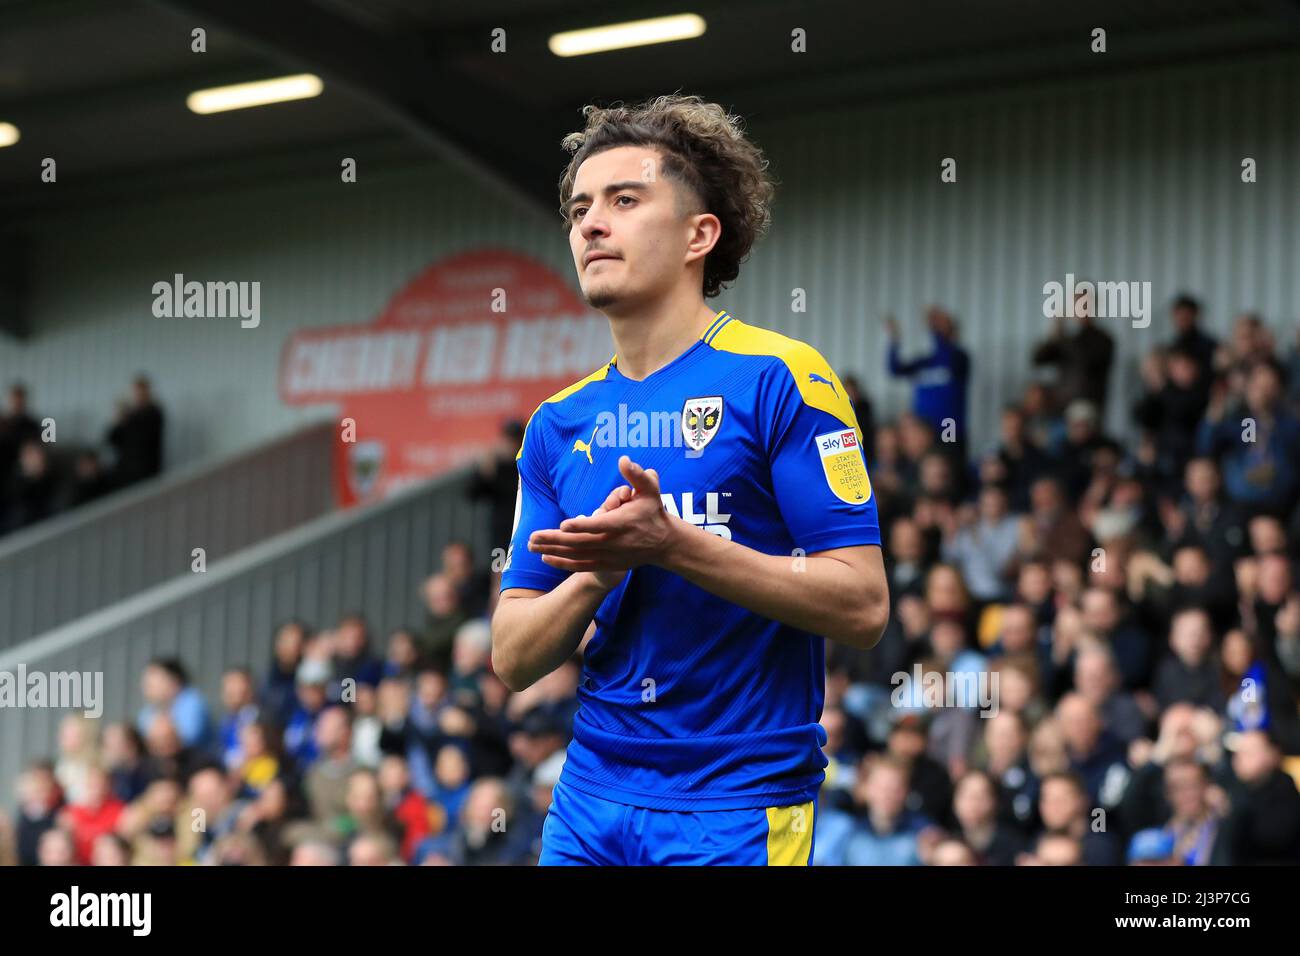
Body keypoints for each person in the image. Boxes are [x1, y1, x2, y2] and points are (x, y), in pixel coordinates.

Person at [492, 94, 889, 866]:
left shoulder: (783, 378)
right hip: (588, 801)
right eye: (579, 209)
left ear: (698, 235)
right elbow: (513, 657)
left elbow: (863, 604)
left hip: (737, 806)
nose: (590, 224)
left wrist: (673, 545)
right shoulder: (555, 423)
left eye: (624, 200)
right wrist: (594, 578)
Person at [884, 306, 971, 457]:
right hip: (923, 433)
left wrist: (935, 328)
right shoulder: (925, 362)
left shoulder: (959, 358)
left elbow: (947, 353)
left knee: (947, 466)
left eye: (941, 326)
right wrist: (894, 339)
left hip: (949, 428)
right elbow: (895, 369)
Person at [105, 374, 164, 489]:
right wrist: (119, 420)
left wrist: (128, 417)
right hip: (125, 470)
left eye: (141, 392)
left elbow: (144, 440)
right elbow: (112, 439)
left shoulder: (154, 413)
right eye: (136, 392)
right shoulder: (131, 414)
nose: (138, 396)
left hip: (145, 471)